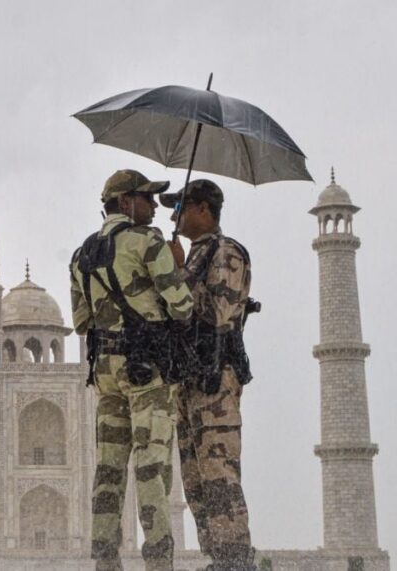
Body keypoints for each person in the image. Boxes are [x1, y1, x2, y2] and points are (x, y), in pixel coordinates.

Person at [70, 169, 194, 571]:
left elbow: (81, 321)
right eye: (146, 198)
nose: (155, 207)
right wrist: (176, 265)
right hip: (145, 372)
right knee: (151, 464)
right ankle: (159, 559)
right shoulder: (148, 242)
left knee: (108, 466)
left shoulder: (82, 254)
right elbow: (182, 307)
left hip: (105, 372)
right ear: (125, 202)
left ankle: (105, 560)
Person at [160, 179, 255, 571]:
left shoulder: (227, 252)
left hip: (215, 377)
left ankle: (236, 560)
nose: (174, 215)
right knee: (195, 480)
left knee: (219, 473)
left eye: (180, 207)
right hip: (188, 380)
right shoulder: (196, 256)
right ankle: (217, 558)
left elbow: (217, 313)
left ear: (203, 210)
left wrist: (179, 272)